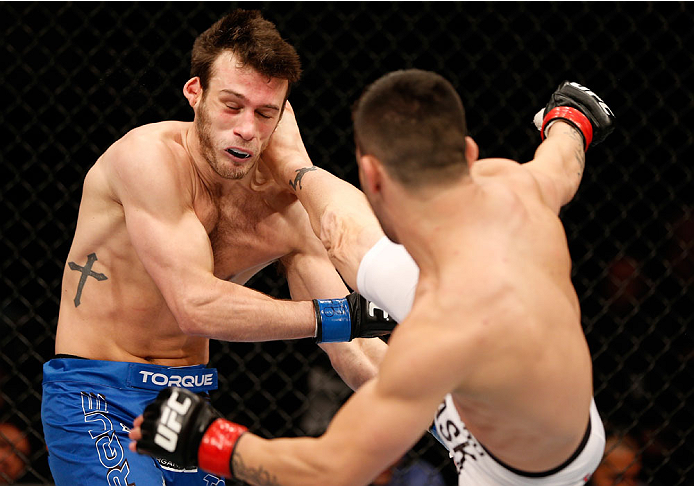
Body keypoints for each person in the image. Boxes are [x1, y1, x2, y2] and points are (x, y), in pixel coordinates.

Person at [130, 72, 616, 485]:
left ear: (370, 174)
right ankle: (297, 165)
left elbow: (332, 468)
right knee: (353, 244)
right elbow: (562, 163)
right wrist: (571, 119)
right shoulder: (515, 187)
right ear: (469, 154)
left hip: (513, 472)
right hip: (531, 389)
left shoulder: (440, 338)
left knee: (386, 361)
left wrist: (211, 442)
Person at [41, 9, 392, 486]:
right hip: (97, 394)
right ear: (195, 93)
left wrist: (451, 414)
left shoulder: (283, 209)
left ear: (283, 118)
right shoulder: (147, 159)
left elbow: (353, 349)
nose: (247, 128)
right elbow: (195, 304)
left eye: (265, 113)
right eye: (232, 105)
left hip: (186, 407)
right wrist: (335, 314)